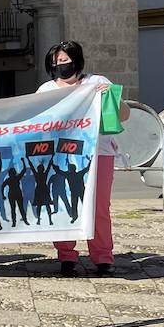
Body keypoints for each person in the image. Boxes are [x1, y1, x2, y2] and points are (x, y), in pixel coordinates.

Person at [38, 40, 128, 270]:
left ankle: (103, 257)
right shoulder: (46, 91)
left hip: (99, 154)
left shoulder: (97, 83)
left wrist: (113, 98)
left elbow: (124, 115)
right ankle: (66, 254)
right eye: (56, 62)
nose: (61, 65)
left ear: (76, 60)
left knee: (99, 207)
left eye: (65, 60)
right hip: (59, 157)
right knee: (63, 204)